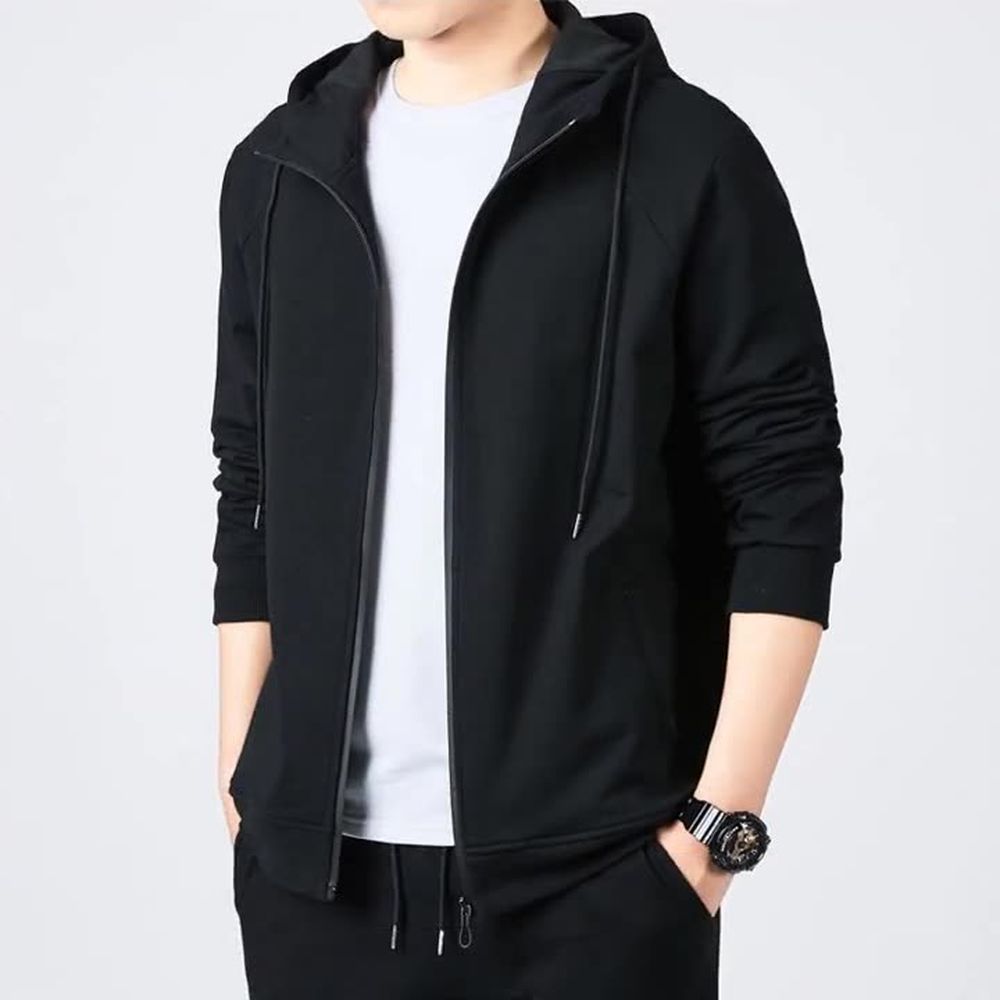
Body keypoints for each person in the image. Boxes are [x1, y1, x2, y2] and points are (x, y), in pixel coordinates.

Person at [211, 1, 844, 996]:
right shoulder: (280, 166)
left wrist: (717, 830)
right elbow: (249, 479)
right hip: (314, 889)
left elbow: (784, 487)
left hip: (598, 887)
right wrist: (244, 778)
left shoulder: (681, 152)